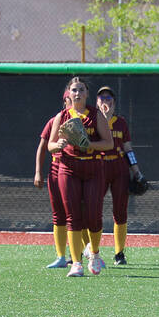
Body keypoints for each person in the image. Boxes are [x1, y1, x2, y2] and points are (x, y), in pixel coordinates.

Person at [47, 76, 114, 277]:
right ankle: (76, 263)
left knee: (93, 216)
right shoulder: (62, 116)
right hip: (69, 168)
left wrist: (88, 144)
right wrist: (57, 145)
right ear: (68, 93)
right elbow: (50, 145)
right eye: (74, 90)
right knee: (72, 216)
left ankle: (93, 252)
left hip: (93, 167)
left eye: (81, 90)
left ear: (86, 93)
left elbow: (108, 143)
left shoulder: (96, 115)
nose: (77, 93)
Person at [94, 86, 144, 266]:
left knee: (120, 212)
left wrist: (136, 171)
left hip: (119, 166)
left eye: (109, 98)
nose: (105, 101)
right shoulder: (92, 120)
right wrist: (103, 119)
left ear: (114, 103)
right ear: (96, 102)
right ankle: (90, 250)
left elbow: (128, 149)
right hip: (98, 166)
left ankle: (119, 253)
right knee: (92, 210)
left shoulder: (121, 122)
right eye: (101, 98)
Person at [34, 103, 72, 269]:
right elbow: (43, 147)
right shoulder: (55, 120)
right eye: (68, 98)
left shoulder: (87, 120)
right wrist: (38, 172)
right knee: (58, 214)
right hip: (57, 168)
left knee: (79, 214)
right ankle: (61, 256)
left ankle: (88, 253)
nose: (71, 102)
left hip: (75, 169)